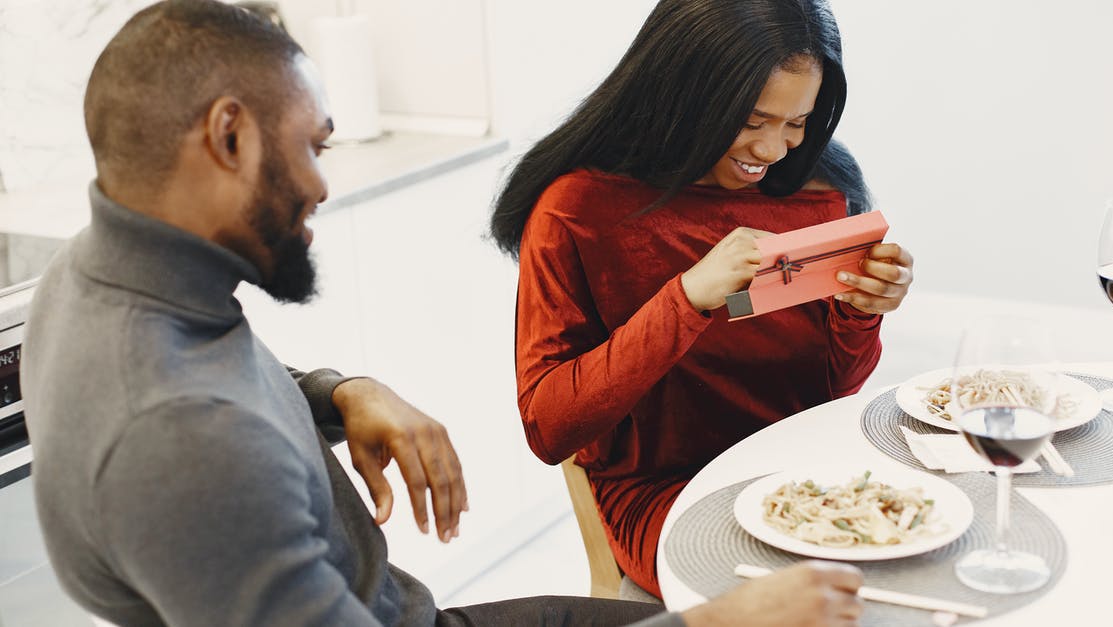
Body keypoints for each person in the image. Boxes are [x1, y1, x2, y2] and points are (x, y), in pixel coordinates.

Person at [21, 1, 866, 625]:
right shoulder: (184, 444)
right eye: (314, 146)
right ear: (229, 138)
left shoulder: (90, 278)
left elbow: (211, 370)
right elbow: (198, 424)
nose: (323, 183)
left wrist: (336, 390)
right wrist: (707, 624)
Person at [490, 0, 914, 597]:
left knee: (923, 552)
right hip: (666, 491)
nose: (773, 150)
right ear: (683, 94)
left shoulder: (818, 187)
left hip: (804, 465)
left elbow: (833, 393)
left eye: (797, 124)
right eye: (752, 120)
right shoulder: (579, 211)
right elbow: (550, 427)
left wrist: (859, 313)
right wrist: (686, 298)